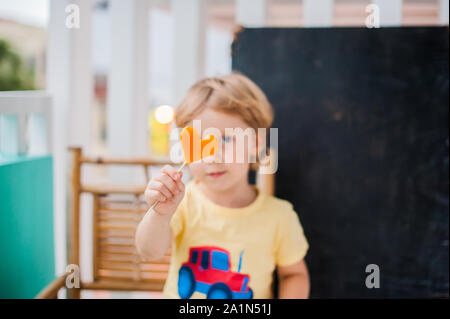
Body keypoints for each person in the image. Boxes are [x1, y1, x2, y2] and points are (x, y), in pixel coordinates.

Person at [136, 72, 309, 299]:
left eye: (226, 139)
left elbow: (294, 275)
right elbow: (149, 252)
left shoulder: (279, 216)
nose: (212, 157)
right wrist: (159, 213)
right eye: (199, 143)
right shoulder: (182, 203)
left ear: (256, 143)